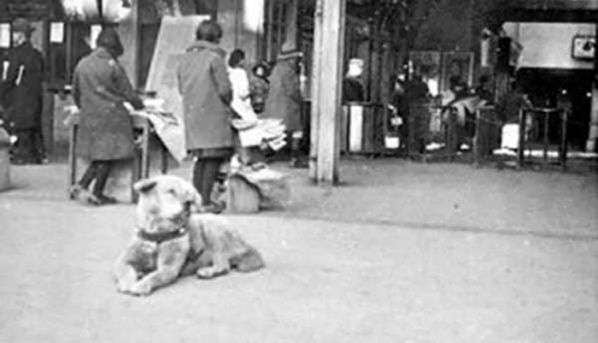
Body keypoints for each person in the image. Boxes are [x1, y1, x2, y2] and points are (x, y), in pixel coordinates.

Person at [68, 27, 144, 205]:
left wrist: (85, 107)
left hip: (89, 115)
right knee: (108, 155)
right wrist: (140, 105)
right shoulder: (113, 65)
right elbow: (128, 93)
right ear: (115, 47)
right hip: (112, 116)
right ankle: (94, 191)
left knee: (100, 155)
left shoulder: (82, 63)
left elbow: (76, 91)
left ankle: (83, 185)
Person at [177, 20, 234, 206]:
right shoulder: (214, 58)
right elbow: (225, 90)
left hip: (193, 112)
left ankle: (196, 200)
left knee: (201, 158)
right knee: (213, 157)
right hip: (213, 112)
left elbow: (180, 88)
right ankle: (207, 201)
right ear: (216, 38)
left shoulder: (185, 58)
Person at [0, 18, 46, 164]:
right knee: (32, 128)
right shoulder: (37, 55)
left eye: (14, 33)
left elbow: (9, 79)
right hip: (35, 99)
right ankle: (37, 155)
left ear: (20, 35)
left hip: (19, 100)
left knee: (18, 129)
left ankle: (21, 155)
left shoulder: (15, 55)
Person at [263, 48, 305, 168]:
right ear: (290, 59)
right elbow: (293, 91)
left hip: (273, 106)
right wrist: (300, 99)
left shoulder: (276, 69)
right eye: (295, 59)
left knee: (276, 132)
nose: (296, 61)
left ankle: (264, 155)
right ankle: (294, 158)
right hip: (287, 107)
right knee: (297, 131)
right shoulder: (289, 72)